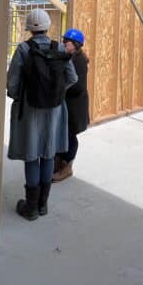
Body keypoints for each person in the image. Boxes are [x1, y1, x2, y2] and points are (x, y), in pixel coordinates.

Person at [7, 9, 77, 221]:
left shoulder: (24, 49)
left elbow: (11, 84)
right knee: (48, 153)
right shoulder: (59, 48)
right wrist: (56, 92)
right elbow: (72, 77)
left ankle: (31, 208)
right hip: (55, 110)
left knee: (31, 155)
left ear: (29, 28)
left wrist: (23, 95)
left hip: (30, 110)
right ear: (48, 26)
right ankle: (43, 205)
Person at [53, 28, 90, 183]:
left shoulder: (79, 61)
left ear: (75, 44)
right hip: (67, 104)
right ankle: (59, 163)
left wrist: (60, 84)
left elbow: (78, 86)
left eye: (66, 42)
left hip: (75, 106)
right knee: (63, 133)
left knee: (70, 135)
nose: (64, 43)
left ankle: (67, 167)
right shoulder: (70, 57)